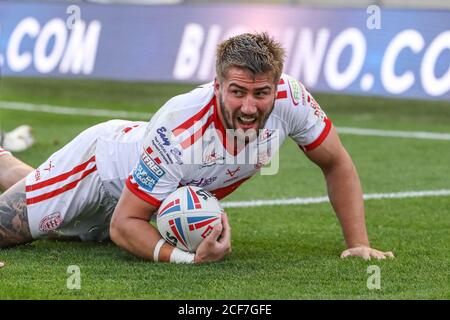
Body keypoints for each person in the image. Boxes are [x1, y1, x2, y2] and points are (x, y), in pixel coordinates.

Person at [0, 32, 394, 266]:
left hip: (140, 198)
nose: (249, 107)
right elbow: (124, 226)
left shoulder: (293, 100)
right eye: (237, 92)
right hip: (98, 170)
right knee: (9, 229)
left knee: (40, 194)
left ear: (277, 86)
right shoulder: (182, 128)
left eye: (262, 93)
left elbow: (336, 162)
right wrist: (189, 260)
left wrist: (358, 244)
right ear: (217, 84)